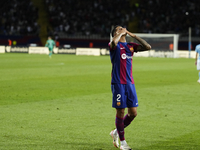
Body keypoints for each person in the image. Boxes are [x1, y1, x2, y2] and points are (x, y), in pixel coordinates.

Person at [108, 25, 151, 150]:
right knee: (120, 111)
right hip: (118, 84)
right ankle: (123, 142)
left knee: (133, 113)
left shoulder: (130, 46)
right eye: (119, 29)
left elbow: (148, 47)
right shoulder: (114, 46)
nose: (123, 29)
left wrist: (134, 36)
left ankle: (116, 131)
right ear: (115, 33)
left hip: (130, 83)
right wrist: (120, 34)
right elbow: (113, 42)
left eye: (123, 28)